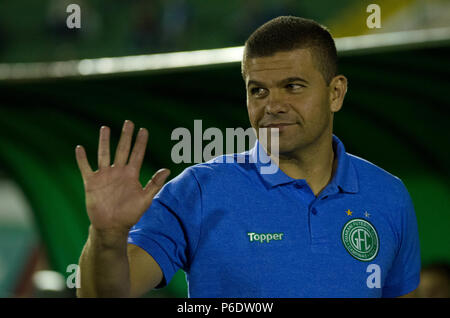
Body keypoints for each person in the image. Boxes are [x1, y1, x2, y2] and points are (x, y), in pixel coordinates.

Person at [75, 16, 421, 298]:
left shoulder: (389, 195)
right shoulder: (198, 190)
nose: (272, 106)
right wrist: (106, 236)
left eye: (293, 86)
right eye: (258, 91)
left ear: (335, 92)